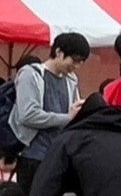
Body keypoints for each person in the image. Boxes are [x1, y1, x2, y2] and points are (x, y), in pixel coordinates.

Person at [11, 33, 87, 168]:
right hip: (33, 156)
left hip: (60, 156)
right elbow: (28, 115)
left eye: (81, 62)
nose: (76, 66)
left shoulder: (71, 80)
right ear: (58, 52)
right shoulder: (31, 74)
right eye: (74, 60)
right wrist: (67, 118)